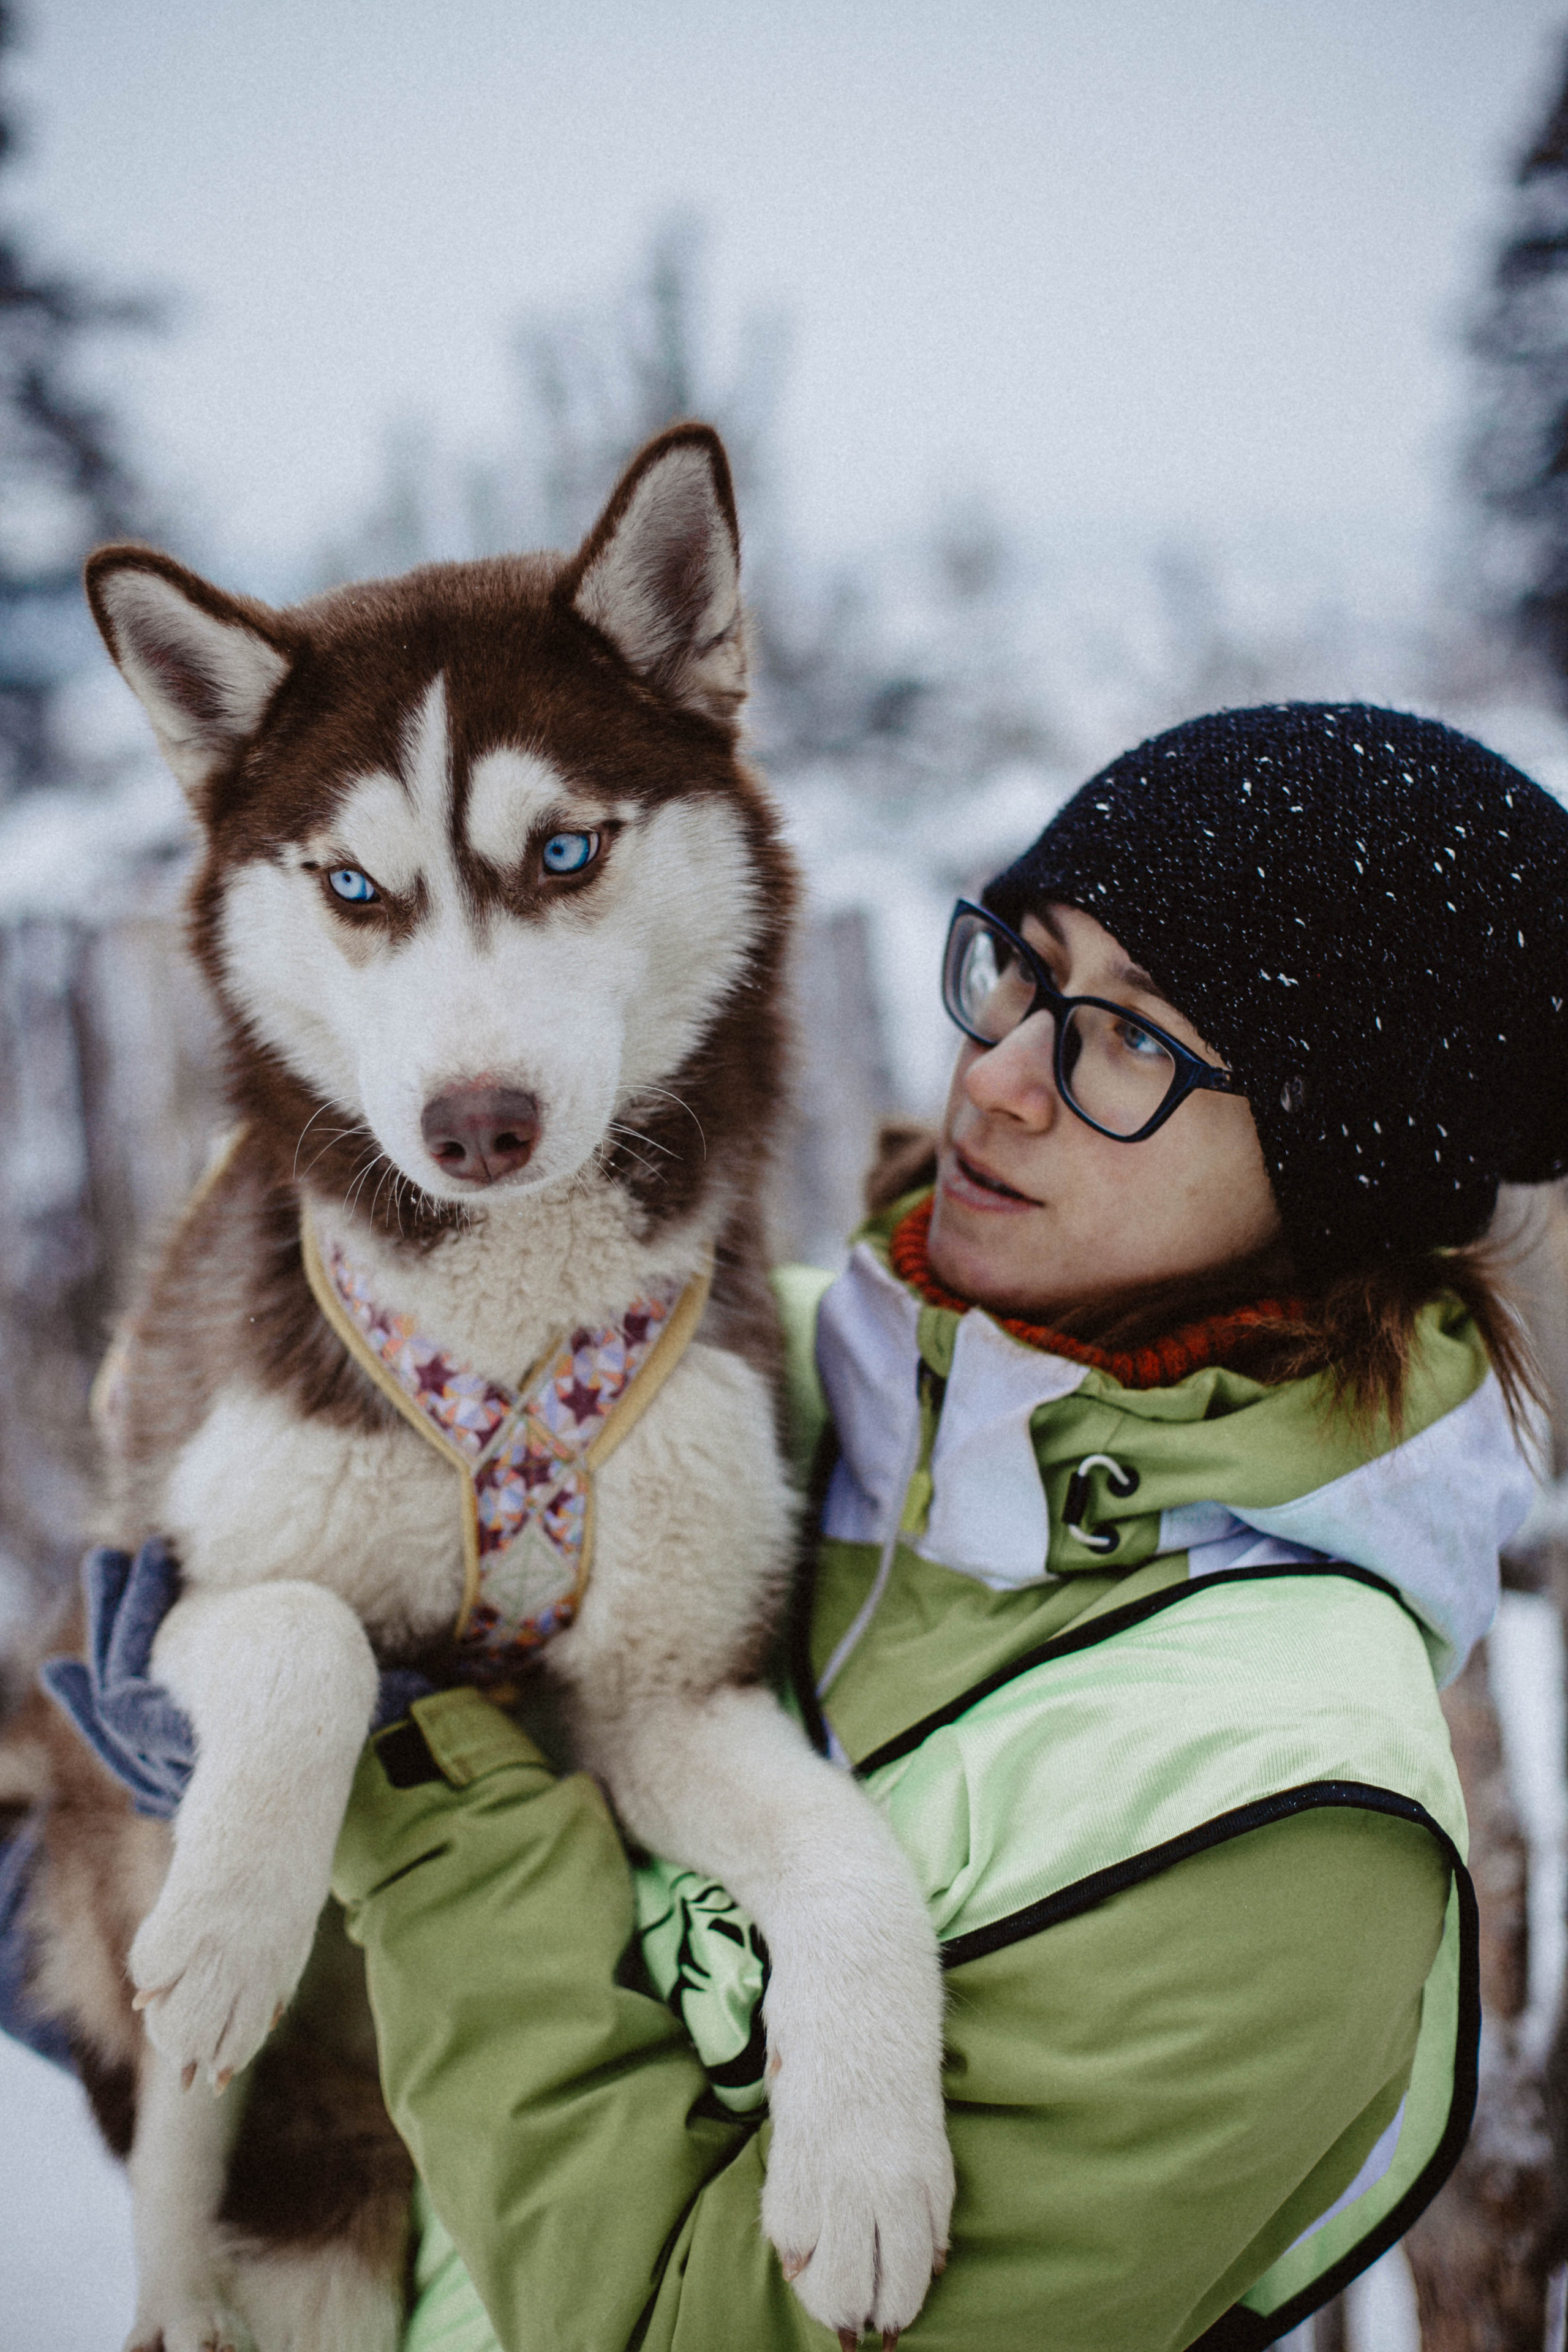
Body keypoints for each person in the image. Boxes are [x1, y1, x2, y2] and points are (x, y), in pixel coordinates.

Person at [6, 702, 1566, 2350]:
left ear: (1340, 1174)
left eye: (1132, 1042)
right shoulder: (789, 1383)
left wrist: (413, 1796)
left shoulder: (1293, 1826)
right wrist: (123, 1877)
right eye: (1024, 969)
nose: (1000, 1077)